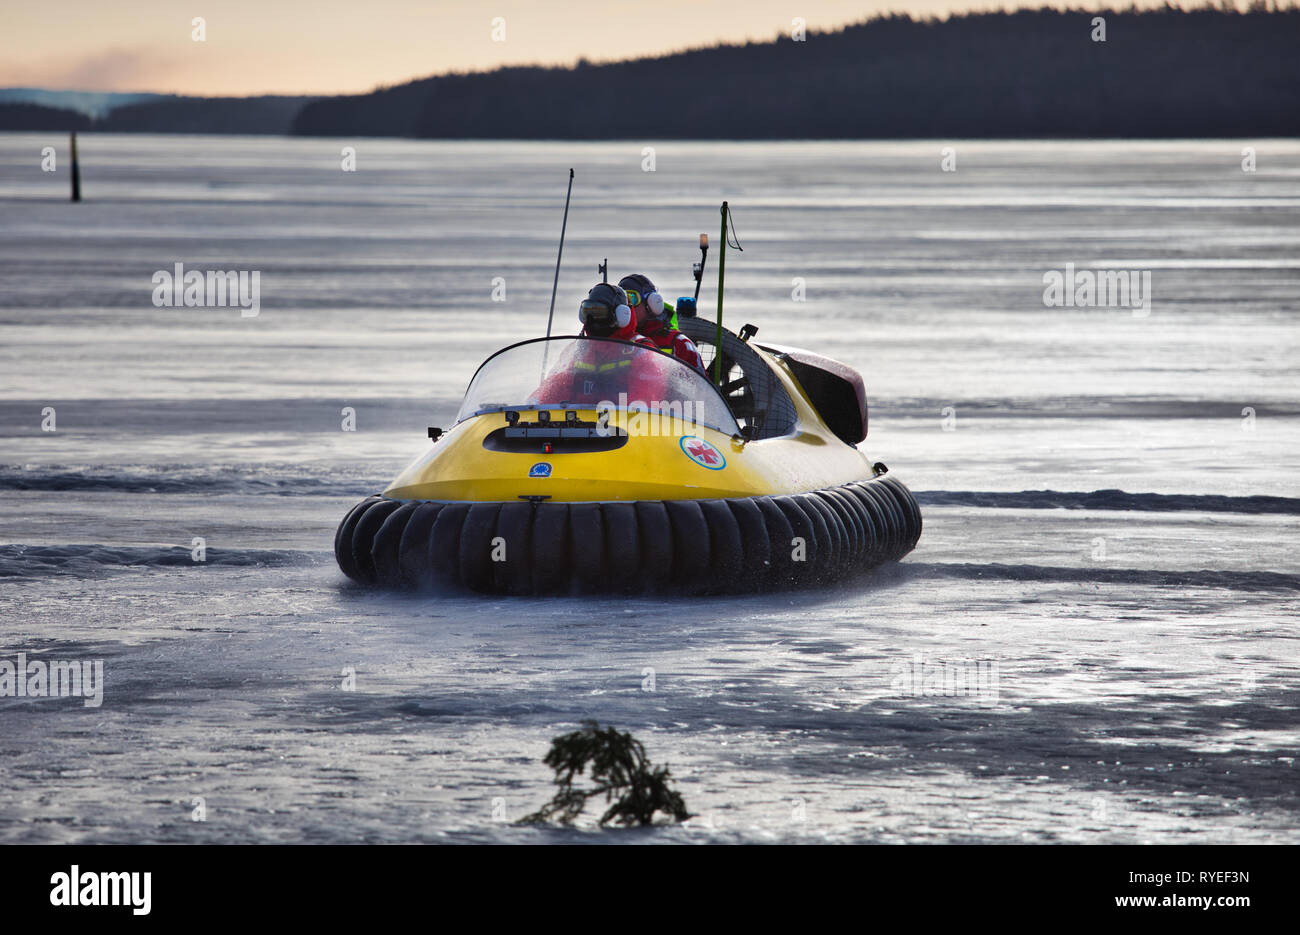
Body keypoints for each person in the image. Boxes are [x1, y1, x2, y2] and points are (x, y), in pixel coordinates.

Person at [534, 283, 663, 405]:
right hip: (579, 423)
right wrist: (534, 403)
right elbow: (557, 384)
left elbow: (644, 398)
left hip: (626, 422)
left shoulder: (641, 350)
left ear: (621, 315)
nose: (593, 319)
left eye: (600, 312)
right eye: (588, 312)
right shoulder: (578, 350)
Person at [619, 273, 705, 372]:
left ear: (652, 303)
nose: (627, 307)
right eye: (623, 302)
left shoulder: (679, 344)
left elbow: (701, 385)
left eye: (632, 299)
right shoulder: (614, 340)